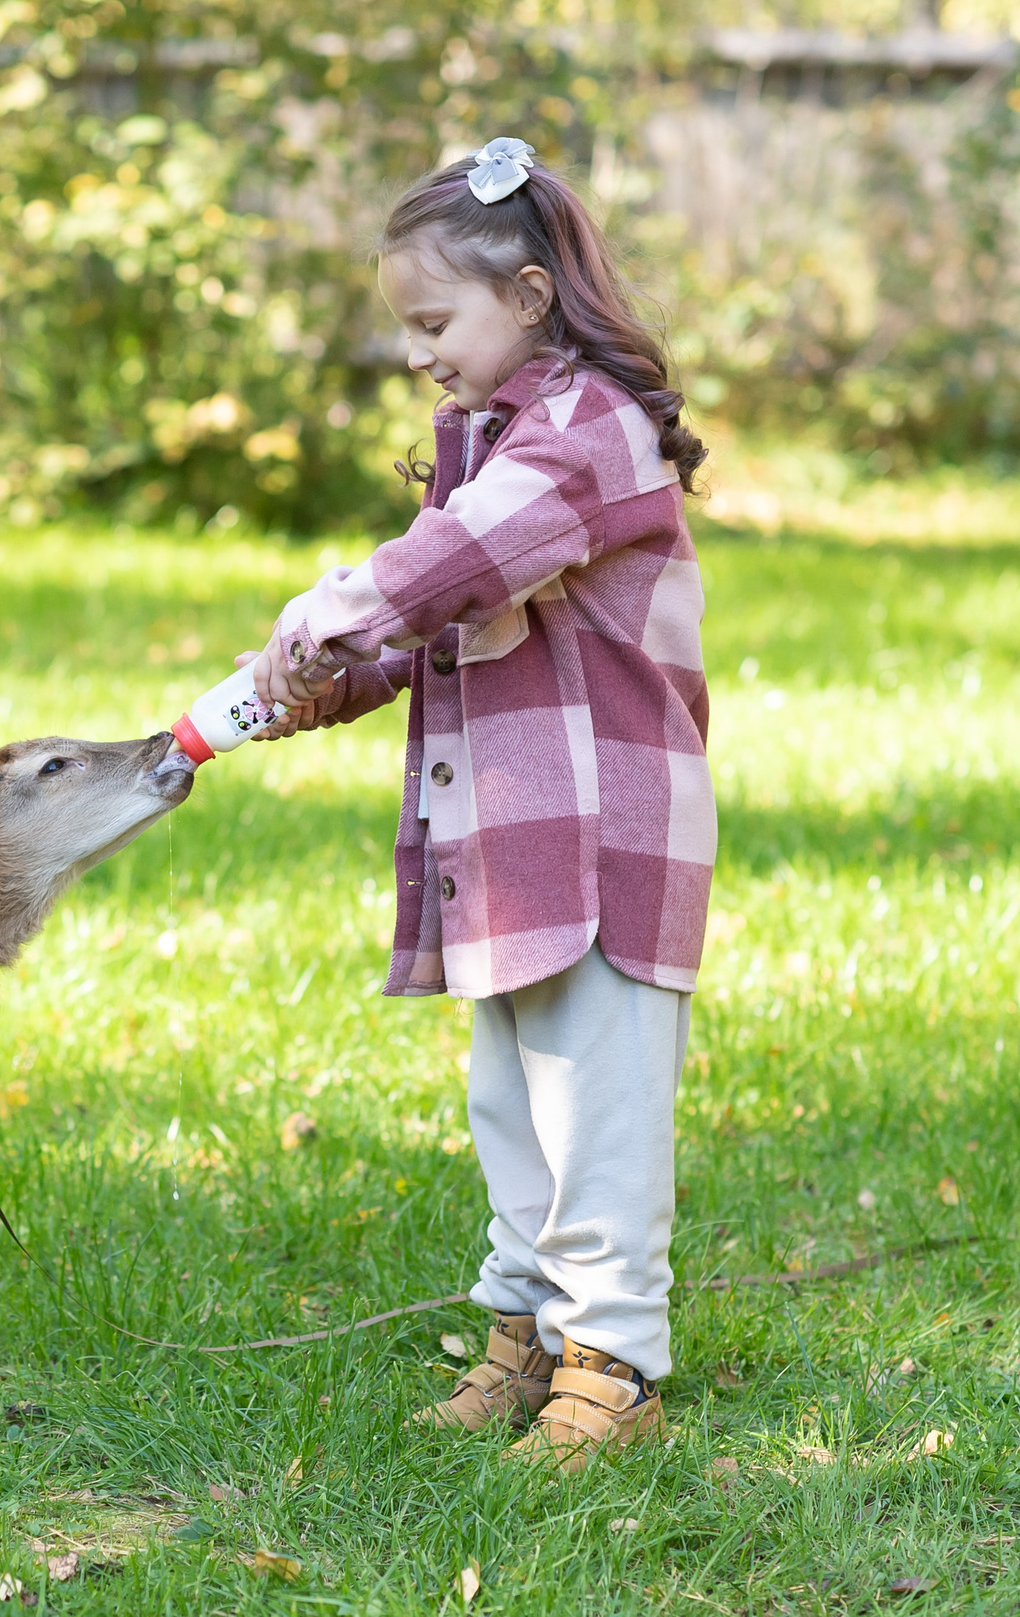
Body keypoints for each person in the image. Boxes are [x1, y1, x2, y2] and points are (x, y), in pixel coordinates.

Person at [245, 138, 715, 1472]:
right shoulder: (501, 446)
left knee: (597, 1115)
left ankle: (613, 1362)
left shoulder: (587, 438)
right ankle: (528, 1332)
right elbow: (440, 622)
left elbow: (451, 563)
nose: (418, 354)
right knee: (515, 1103)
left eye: (432, 321)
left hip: (606, 836)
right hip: (512, 844)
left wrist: (331, 607)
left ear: (527, 294)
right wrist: (308, 679)